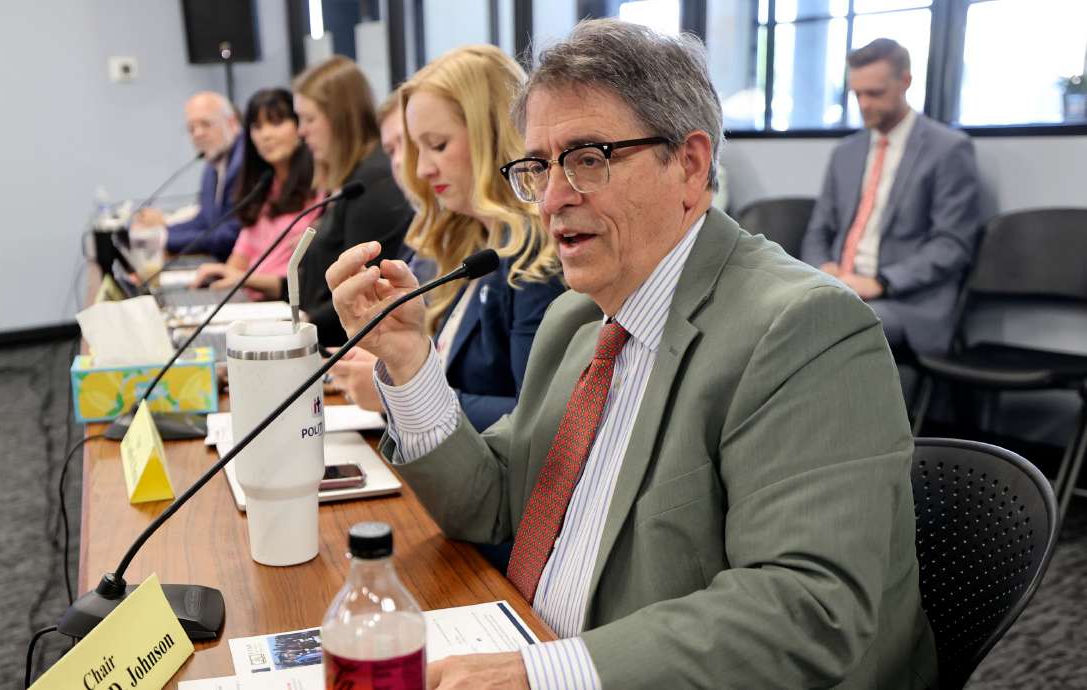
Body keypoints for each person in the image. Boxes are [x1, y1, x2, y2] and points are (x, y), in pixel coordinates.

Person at [326, 20, 936, 690]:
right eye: (538, 166)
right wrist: (409, 361)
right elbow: (492, 500)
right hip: (535, 639)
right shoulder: (577, 320)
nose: (553, 197)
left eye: (588, 158)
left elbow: (807, 609)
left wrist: (541, 675)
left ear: (690, 164)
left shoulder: (803, 328)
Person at [330, 46, 566, 433]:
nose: (422, 169)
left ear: (491, 136)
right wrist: (399, 363)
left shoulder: (535, 257)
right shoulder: (471, 240)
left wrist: (406, 397)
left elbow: (536, 422)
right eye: (417, 149)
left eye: (438, 145)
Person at [802, 38, 981, 354]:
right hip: (838, 286)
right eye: (857, 94)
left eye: (875, 93)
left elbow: (952, 244)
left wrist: (882, 282)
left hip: (904, 300)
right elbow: (818, 230)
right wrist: (824, 268)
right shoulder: (845, 152)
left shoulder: (948, 149)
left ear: (905, 82)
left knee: (832, 325)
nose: (864, 104)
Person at [292, 56, 413, 345]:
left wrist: (300, 327)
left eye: (309, 119)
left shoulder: (372, 182)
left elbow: (361, 290)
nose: (301, 131)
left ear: (340, 119)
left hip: (349, 347)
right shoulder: (351, 178)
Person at [190, 89, 323, 300]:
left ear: (299, 126)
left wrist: (242, 279)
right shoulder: (263, 187)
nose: (265, 135)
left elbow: (305, 282)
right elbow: (240, 257)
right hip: (252, 303)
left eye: (276, 122)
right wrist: (221, 278)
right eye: (257, 127)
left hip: (288, 304)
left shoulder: (321, 187)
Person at [137, 91, 246, 261]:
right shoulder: (212, 164)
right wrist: (160, 233)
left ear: (231, 122)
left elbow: (230, 236)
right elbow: (204, 221)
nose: (197, 133)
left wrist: (163, 238)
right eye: (191, 128)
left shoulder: (245, 162)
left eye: (206, 124)